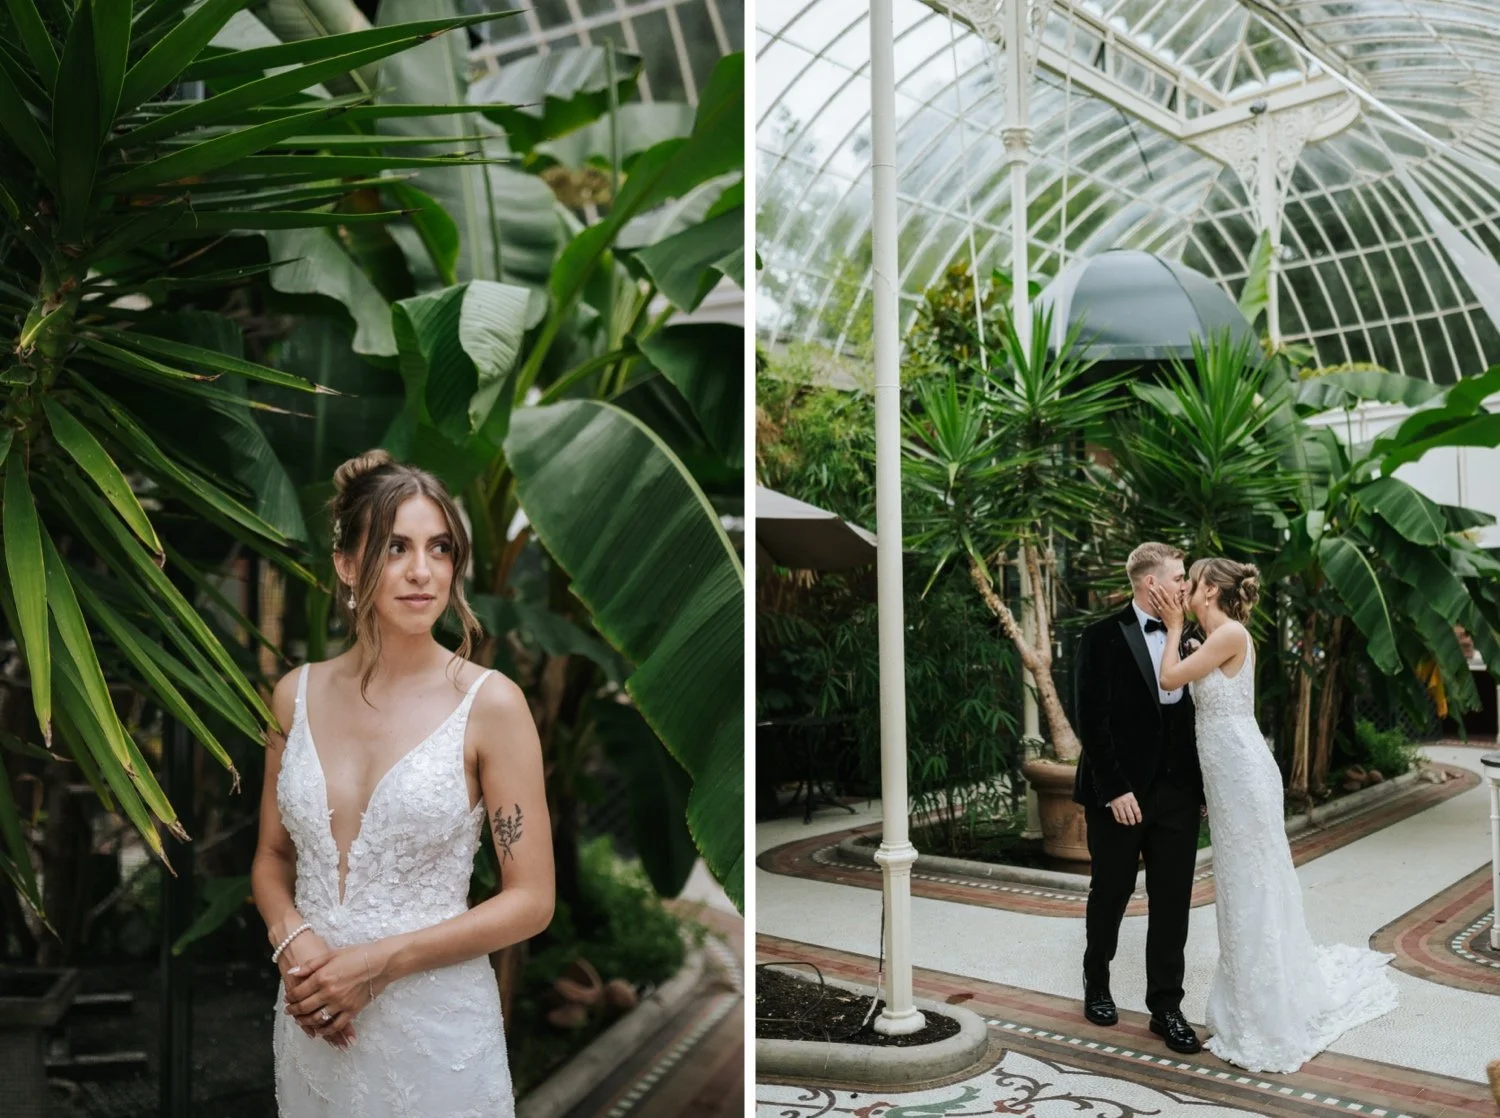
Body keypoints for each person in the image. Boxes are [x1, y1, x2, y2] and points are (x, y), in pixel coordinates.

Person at [251, 449, 554, 1116]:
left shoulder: (491, 705)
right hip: (311, 1022)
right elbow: (272, 860)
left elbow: (531, 898)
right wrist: (289, 938)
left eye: (440, 548)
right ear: (348, 564)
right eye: (396, 548)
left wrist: (378, 963)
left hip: (435, 1032)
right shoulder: (292, 696)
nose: (423, 571)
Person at [1150, 557, 1398, 1074]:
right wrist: (1181, 629)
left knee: (1251, 882)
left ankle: (1265, 1012)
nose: (1187, 591)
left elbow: (1170, 678)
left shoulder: (1230, 634)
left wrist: (1174, 629)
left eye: (1192, 583)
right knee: (1239, 884)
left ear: (1212, 590)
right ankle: (1246, 999)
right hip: (1225, 777)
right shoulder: (1212, 636)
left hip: (1242, 773)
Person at [1073, 542, 1206, 1055]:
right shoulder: (1101, 637)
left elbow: (1200, 719)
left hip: (1177, 794)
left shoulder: (1194, 638)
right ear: (1152, 584)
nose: (1185, 587)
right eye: (1178, 579)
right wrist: (1115, 790)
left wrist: (1202, 788)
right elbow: (1093, 720)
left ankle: (1167, 1007)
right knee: (1112, 890)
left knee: (1172, 900)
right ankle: (1097, 981)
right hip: (1120, 794)